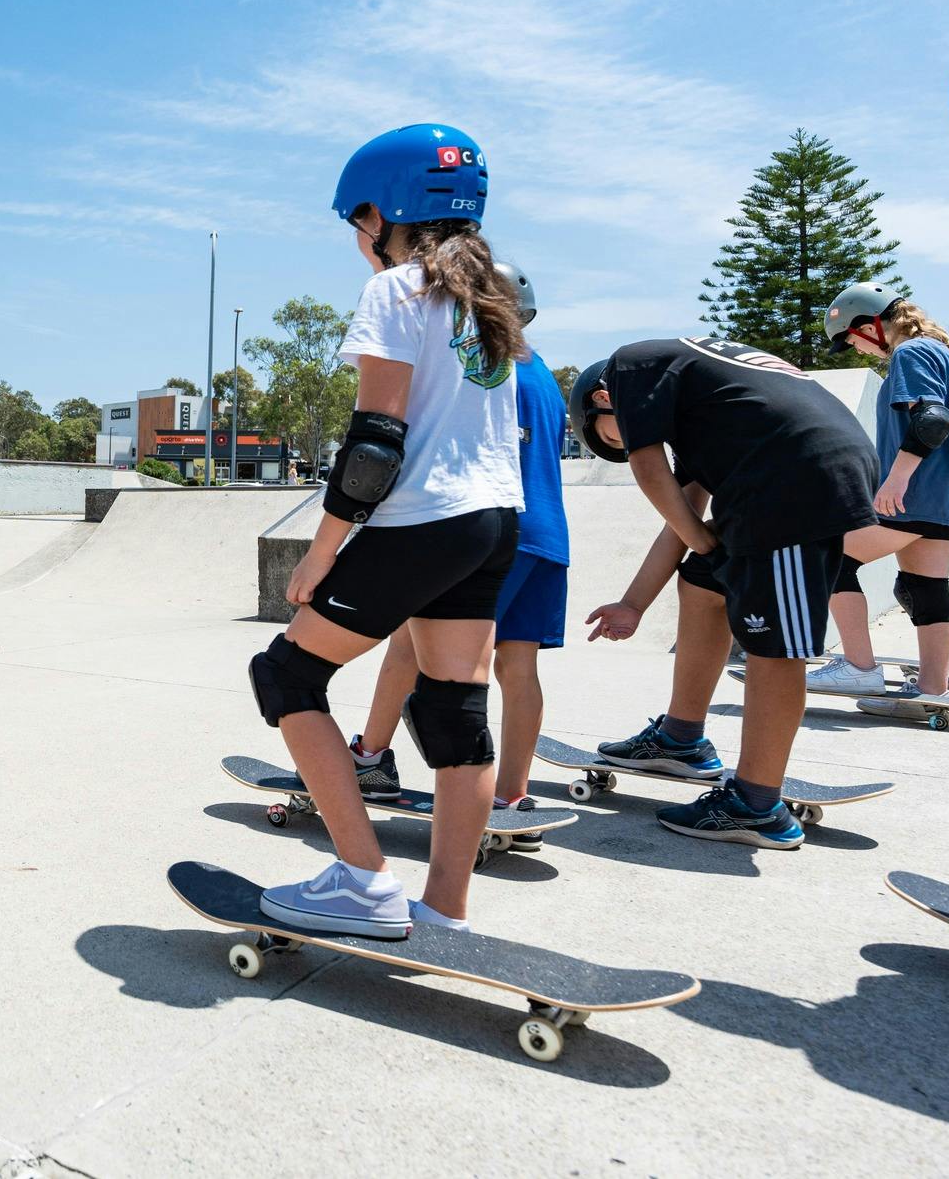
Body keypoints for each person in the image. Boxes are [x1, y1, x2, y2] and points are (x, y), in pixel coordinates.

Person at [249, 124, 524, 938]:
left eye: (356, 222)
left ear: (382, 213)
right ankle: (445, 909)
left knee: (287, 676)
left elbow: (375, 443)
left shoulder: (398, 290)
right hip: (492, 522)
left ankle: (364, 881)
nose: (357, 241)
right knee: (454, 713)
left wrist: (321, 551)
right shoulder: (489, 299)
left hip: (423, 521)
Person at [571, 336, 878, 849]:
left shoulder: (631, 365)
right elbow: (682, 519)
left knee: (775, 647)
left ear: (603, 399)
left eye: (612, 438)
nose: (625, 447)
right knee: (702, 582)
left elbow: (649, 472)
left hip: (795, 479)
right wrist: (634, 603)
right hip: (789, 466)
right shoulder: (705, 409)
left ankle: (756, 805)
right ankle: (680, 738)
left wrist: (703, 542)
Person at [349, 266, 568, 840]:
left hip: (493, 525)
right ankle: (512, 795)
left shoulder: (486, 368)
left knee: (408, 643)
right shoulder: (543, 373)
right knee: (519, 666)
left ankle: (369, 760)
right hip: (548, 535)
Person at [809, 284, 949, 704]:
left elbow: (933, 421)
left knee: (826, 556)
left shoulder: (911, 352)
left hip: (913, 495)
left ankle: (859, 668)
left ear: (870, 324)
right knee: (923, 589)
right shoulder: (943, 354)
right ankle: (932, 689)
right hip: (942, 500)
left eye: (850, 339)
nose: (855, 349)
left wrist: (895, 479)